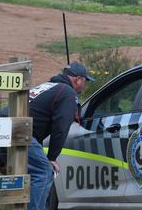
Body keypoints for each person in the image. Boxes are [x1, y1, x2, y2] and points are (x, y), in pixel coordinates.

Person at [27, 62, 94, 210]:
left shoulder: (48, 86)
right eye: (85, 81)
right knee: (45, 171)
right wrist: (52, 158)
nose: (85, 85)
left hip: (3, 127)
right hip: (20, 132)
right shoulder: (68, 93)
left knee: (24, 174)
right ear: (78, 79)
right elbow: (61, 127)